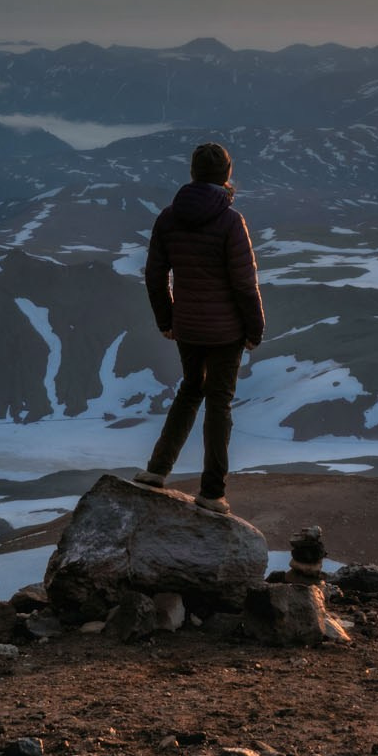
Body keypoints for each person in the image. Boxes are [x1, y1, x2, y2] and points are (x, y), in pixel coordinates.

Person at [135, 140, 265, 514]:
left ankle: (157, 470)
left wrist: (167, 319)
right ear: (227, 175)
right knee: (219, 402)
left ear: (192, 174)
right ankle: (212, 492)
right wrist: (255, 330)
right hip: (226, 333)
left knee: (191, 390)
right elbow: (244, 283)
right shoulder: (230, 221)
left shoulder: (168, 218)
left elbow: (155, 276)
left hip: (187, 328)